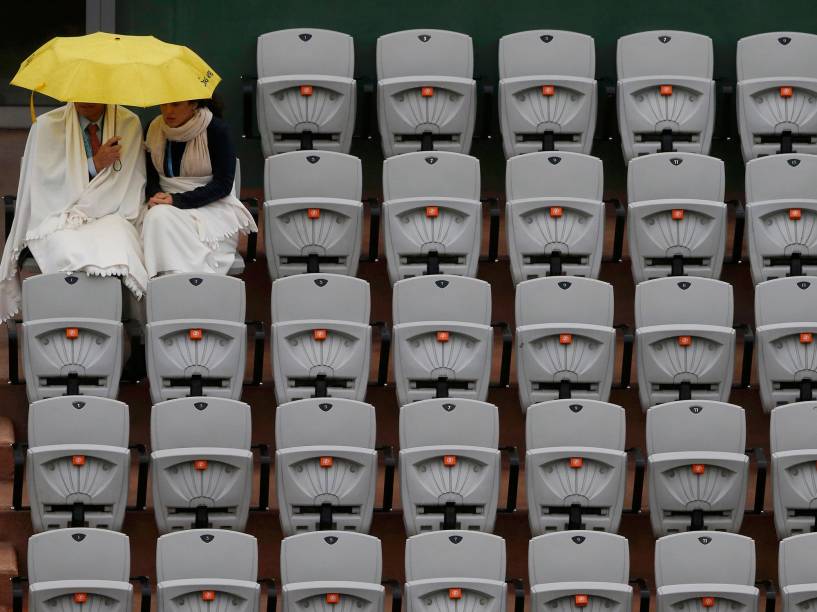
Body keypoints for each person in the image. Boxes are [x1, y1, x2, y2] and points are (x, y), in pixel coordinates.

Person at [0, 102, 148, 320]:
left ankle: (112, 327)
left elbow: (130, 183)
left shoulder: (128, 123)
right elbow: (44, 186)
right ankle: (70, 324)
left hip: (110, 214)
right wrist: (94, 164)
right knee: (66, 249)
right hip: (58, 216)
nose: (85, 97)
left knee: (120, 247)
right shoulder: (46, 126)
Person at [142, 98, 256, 277]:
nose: (167, 111)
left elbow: (223, 185)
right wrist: (156, 195)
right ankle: (175, 283)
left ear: (194, 104)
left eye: (175, 104)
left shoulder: (217, 130)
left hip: (210, 207)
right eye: (163, 104)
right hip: (163, 203)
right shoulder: (152, 127)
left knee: (158, 218)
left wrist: (176, 200)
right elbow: (150, 176)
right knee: (155, 218)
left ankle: (177, 280)